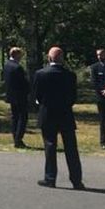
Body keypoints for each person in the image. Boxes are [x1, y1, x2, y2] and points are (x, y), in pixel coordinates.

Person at [33, 46, 84, 189]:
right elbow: (73, 97)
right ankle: (76, 180)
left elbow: (36, 95)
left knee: (50, 146)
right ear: (62, 59)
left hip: (48, 113)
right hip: (65, 114)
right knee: (71, 148)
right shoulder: (70, 75)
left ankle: (50, 178)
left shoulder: (40, 74)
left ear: (49, 58)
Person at [3, 47, 30, 148]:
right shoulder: (17, 68)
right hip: (20, 95)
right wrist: (28, 90)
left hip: (11, 95)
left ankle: (15, 136)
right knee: (23, 117)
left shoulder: (7, 65)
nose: (21, 57)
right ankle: (18, 139)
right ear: (16, 55)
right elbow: (23, 82)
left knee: (15, 117)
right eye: (20, 55)